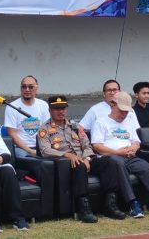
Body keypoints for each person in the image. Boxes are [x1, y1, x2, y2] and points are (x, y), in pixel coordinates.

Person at [91, 92, 149, 218]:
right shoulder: (101, 122)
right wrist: (118, 152)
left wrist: (134, 148)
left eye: (126, 112)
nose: (124, 114)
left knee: (148, 169)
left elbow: (136, 141)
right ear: (113, 105)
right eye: (121, 111)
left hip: (129, 156)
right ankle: (132, 203)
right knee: (118, 164)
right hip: (110, 157)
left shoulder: (129, 121)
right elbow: (97, 146)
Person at [37, 95, 126, 223]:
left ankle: (110, 204)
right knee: (79, 165)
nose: (60, 111)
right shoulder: (44, 129)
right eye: (57, 109)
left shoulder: (75, 126)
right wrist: (67, 155)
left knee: (109, 162)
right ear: (50, 110)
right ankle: (83, 208)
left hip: (83, 159)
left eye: (63, 108)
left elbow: (87, 145)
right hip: (66, 163)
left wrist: (87, 158)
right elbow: (45, 150)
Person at [4, 75, 50, 157]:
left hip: (41, 146)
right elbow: (12, 133)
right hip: (20, 148)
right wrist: (30, 151)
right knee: (25, 157)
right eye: (24, 87)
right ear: (20, 89)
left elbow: (47, 129)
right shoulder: (12, 106)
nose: (27, 89)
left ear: (36, 89)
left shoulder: (43, 105)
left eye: (31, 87)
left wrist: (43, 148)